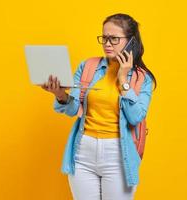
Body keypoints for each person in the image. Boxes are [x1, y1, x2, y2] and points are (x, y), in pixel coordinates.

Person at [40, 13, 157, 200]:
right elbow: (73, 110)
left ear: (131, 42)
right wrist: (60, 95)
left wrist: (123, 80)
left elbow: (136, 117)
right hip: (83, 152)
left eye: (114, 39)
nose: (107, 43)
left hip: (119, 155)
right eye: (104, 37)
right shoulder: (88, 67)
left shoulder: (142, 78)